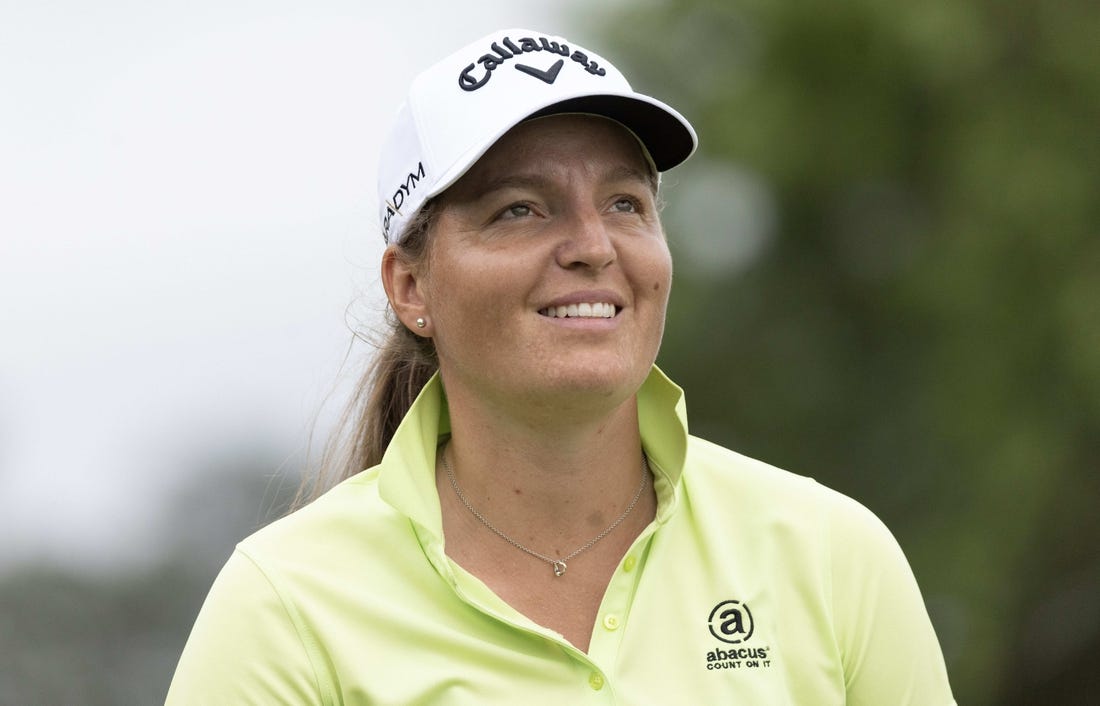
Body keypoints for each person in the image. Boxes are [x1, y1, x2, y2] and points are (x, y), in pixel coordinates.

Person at [166, 28, 955, 704]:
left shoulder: (831, 555)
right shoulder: (284, 607)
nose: (593, 246)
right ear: (412, 288)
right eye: (520, 209)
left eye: (624, 203)